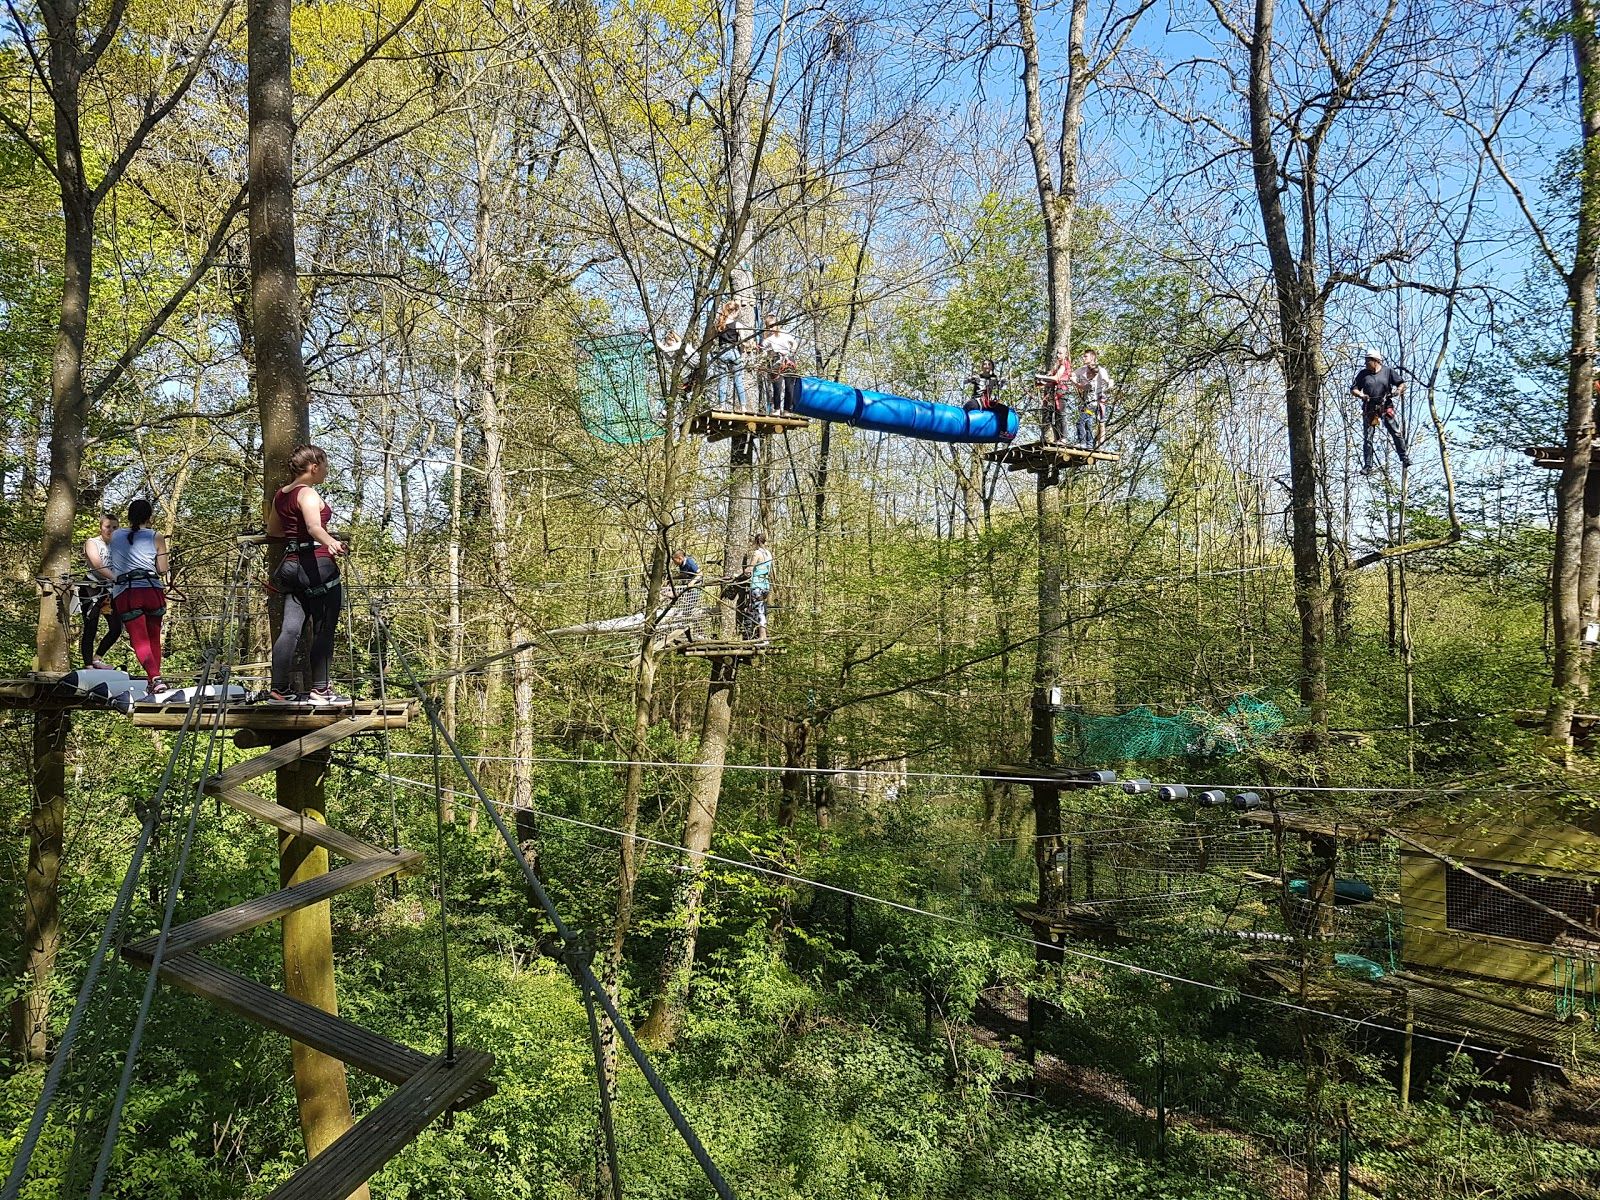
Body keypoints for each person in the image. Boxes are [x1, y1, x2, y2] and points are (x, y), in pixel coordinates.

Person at [265, 445, 349, 705]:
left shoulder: (282, 494)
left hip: (292, 567)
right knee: (324, 628)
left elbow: (274, 531)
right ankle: (321, 690)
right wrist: (330, 541)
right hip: (317, 566)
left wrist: (297, 532)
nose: (326, 470)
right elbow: (314, 527)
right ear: (314, 467)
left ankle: (279, 689)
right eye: (324, 465)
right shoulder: (308, 494)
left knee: (290, 630)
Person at [107, 500, 171, 694]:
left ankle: (155, 678)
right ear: (149, 517)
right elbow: (162, 569)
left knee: (140, 640)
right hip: (152, 591)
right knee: (153, 638)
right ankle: (155, 679)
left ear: (128, 516)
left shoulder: (116, 535)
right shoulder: (156, 536)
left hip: (127, 594)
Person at [1350, 349, 1410, 473]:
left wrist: (1398, 391)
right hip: (1370, 408)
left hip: (1385, 405)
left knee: (1395, 432)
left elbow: (1401, 384)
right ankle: (1368, 466)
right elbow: (1354, 389)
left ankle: (1404, 457)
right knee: (1368, 437)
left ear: (1376, 361)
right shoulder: (1363, 374)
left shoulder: (1388, 372)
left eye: (1368, 361)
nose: (1366, 363)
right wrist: (1361, 396)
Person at [78, 512, 123, 669]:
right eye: (108, 527)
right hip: (92, 587)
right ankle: (88, 664)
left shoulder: (118, 546)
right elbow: (97, 565)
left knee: (116, 627)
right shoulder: (92, 542)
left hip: (110, 590)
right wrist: (116, 578)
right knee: (91, 626)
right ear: (101, 527)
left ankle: (97, 658)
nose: (111, 530)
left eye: (115, 527)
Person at [712, 300, 752, 412]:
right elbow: (742, 341)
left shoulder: (720, 325)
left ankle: (722, 405)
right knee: (738, 380)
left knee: (722, 380)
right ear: (734, 311)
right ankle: (743, 406)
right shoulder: (737, 324)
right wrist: (747, 347)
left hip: (722, 353)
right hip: (733, 352)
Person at [1070, 348, 1114, 448]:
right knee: (1087, 422)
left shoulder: (1100, 370)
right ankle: (1088, 443)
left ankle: (1099, 445)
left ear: (1092, 357)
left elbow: (1107, 382)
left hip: (1097, 401)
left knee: (1100, 421)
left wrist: (1109, 384)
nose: (1083, 358)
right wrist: (1073, 378)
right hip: (1087, 402)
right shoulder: (1082, 369)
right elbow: (1072, 374)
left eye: (1085, 356)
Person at [963, 359, 1013, 441]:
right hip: (977, 400)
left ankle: (1003, 432)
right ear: (982, 367)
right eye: (984, 364)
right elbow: (964, 382)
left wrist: (1004, 382)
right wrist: (970, 379)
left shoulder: (994, 378)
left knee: (1004, 409)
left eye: (989, 364)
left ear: (992, 367)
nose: (986, 366)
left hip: (987, 402)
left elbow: (1001, 387)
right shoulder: (977, 377)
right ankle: (962, 426)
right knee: (968, 406)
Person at [760, 318, 801, 414]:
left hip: (788, 360)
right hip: (775, 361)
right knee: (777, 386)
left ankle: (787, 410)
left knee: (789, 387)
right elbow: (763, 349)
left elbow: (794, 342)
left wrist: (792, 351)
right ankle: (777, 409)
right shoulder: (768, 339)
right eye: (769, 326)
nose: (772, 328)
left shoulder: (784, 334)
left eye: (773, 325)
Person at [739, 532, 774, 642]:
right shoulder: (768, 553)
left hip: (757, 585)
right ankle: (756, 635)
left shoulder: (757, 553)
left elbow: (749, 568)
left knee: (759, 611)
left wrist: (742, 572)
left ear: (757, 541)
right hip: (766, 584)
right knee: (758, 609)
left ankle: (763, 638)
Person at [1034, 349, 1073, 444]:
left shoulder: (1064, 365)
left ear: (1065, 354)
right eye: (1057, 353)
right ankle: (1057, 438)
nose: (1057, 355)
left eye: (1060, 353)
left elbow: (1057, 378)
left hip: (1061, 392)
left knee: (1061, 414)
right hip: (1055, 392)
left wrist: (1041, 376)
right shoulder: (1058, 366)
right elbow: (1052, 381)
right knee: (1054, 415)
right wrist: (1042, 382)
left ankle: (1063, 438)